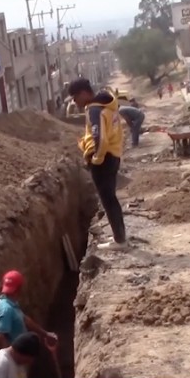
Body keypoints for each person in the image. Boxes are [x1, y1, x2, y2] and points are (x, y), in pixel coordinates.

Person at [67, 78, 129, 250]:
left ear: (84, 93)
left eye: (75, 97)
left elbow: (100, 137)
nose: (75, 102)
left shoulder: (95, 109)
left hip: (104, 159)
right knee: (111, 198)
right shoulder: (108, 104)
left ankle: (120, 241)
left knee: (108, 199)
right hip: (113, 155)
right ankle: (121, 236)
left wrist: (97, 158)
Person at [0, 270, 57, 349]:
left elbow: (25, 319)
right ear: (19, 288)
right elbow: (0, 335)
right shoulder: (6, 309)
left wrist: (45, 334)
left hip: (23, 350)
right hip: (17, 354)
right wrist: (11, 358)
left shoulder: (11, 302)